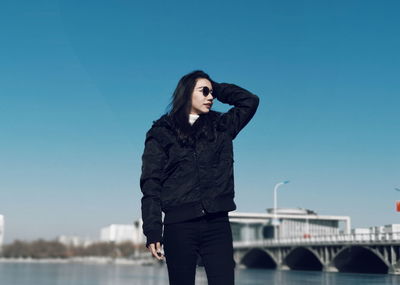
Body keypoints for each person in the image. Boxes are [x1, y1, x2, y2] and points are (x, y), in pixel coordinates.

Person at [140, 70, 259, 285]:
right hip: (179, 225)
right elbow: (151, 183)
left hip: (217, 223)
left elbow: (250, 101)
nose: (210, 97)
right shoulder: (161, 132)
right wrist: (153, 230)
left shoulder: (221, 125)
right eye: (204, 91)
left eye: (212, 92)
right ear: (186, 93)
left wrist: (215, 86)